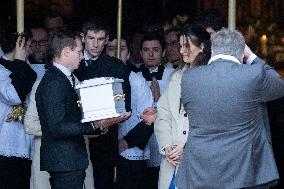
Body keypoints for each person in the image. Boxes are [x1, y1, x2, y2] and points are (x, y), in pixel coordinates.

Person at [176, 29, 284, 189]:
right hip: (242, 171)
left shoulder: (189, 77)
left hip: (198, 170)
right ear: (242, 53)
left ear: (212, 51)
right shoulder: (253, 74)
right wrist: (252, 57)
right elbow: (279, 85)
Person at [35, 30, 130, 189]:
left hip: (68, 160)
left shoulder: (63, 78)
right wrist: (95, 124)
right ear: (66, 52)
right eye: (79, 51)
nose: (82, 56)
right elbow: (57, 127)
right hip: (64, 161)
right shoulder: (55, 81)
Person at [73, 17, 132, 189]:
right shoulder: (70, 63)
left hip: (104, 140)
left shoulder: (117, 67)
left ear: (106, 40)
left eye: (100, 39)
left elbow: (125, 105)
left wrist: (105, 121)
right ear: (83, 37)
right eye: (91, 38)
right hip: (73, 138)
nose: (95, 44)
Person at [154, 24, 211, 189]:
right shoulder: (176, 76)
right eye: (181, 46)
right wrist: (167, 146)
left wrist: (186, 146)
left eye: (187, 45)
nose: (182, 50)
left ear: (201, 47)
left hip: (199, 163)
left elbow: (213, 123)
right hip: (172, 162)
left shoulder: (212, 78)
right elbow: (162, 114)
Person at [106, 31, 156, 189]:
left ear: (128, 54)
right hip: (103, 154)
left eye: (121, 48)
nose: (117, 53)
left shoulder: (137, 81)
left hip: (131, 153)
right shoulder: (98, 80)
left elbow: (149, 120)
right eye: (111, 48)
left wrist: (125, 142)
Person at [137, 32, 174, 188]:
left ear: (163, 52)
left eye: (155, 49)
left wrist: (159, 99)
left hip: (164, 138)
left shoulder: (173, 76)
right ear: (140, 53)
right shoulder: (134, 76)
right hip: (138, 138)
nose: (151, 54)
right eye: (146, 50)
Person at [0, 33, 37, 189]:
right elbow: (13, 95)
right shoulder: (1, 68)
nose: (31, 50)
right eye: (28, 46)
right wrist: (20, 62)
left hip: (26, 142)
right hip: (5, 144)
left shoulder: (26, 66)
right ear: (20, 45)